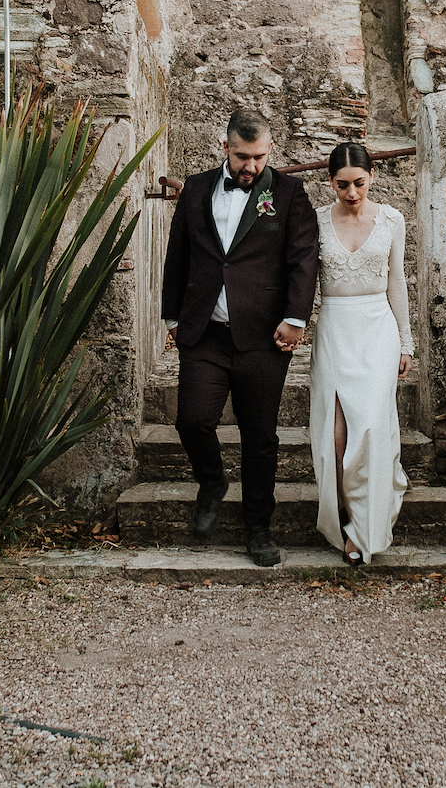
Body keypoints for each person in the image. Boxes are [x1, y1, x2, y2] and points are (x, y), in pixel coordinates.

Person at [160, 109, 320, 567]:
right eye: (241, 156)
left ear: (269, 151)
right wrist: (173, 318)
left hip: (262, 336)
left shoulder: (288, 193)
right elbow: (178, 255)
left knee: (259, 436)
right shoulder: (195, 188)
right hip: (205, 333)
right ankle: (212, 482)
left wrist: (295, 317)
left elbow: (303, 258)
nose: (250, 166)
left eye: (258, 157)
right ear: (225, 148)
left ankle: (258, 530)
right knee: (192, 420)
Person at [310, 142, 412, 566]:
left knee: (369, 429)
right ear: (330, 182)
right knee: (334, 437)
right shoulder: (314, 221)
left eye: (359, 184)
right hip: (334, 328)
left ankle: (365, 530)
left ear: (372, 177)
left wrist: (407, 341)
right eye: (342, 185)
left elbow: (398, 282)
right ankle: (347, 519)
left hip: (377, 330)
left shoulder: (391, 219)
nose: (351, 193)